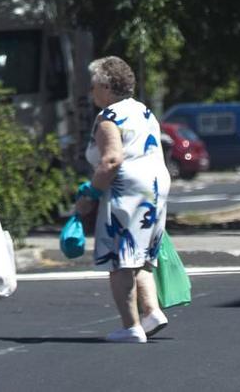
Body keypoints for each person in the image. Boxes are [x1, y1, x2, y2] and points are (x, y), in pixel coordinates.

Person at [85, 55, 171, 343]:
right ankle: (151, 312)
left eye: (93, 85)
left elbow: (111, 160)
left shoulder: (109, 117)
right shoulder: (143, 111)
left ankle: (131, 326)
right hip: (156, 186)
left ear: (106, 86)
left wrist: (90, 195)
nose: (90, 91)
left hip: (127, 190)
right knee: (140, 255)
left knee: (120, 259)